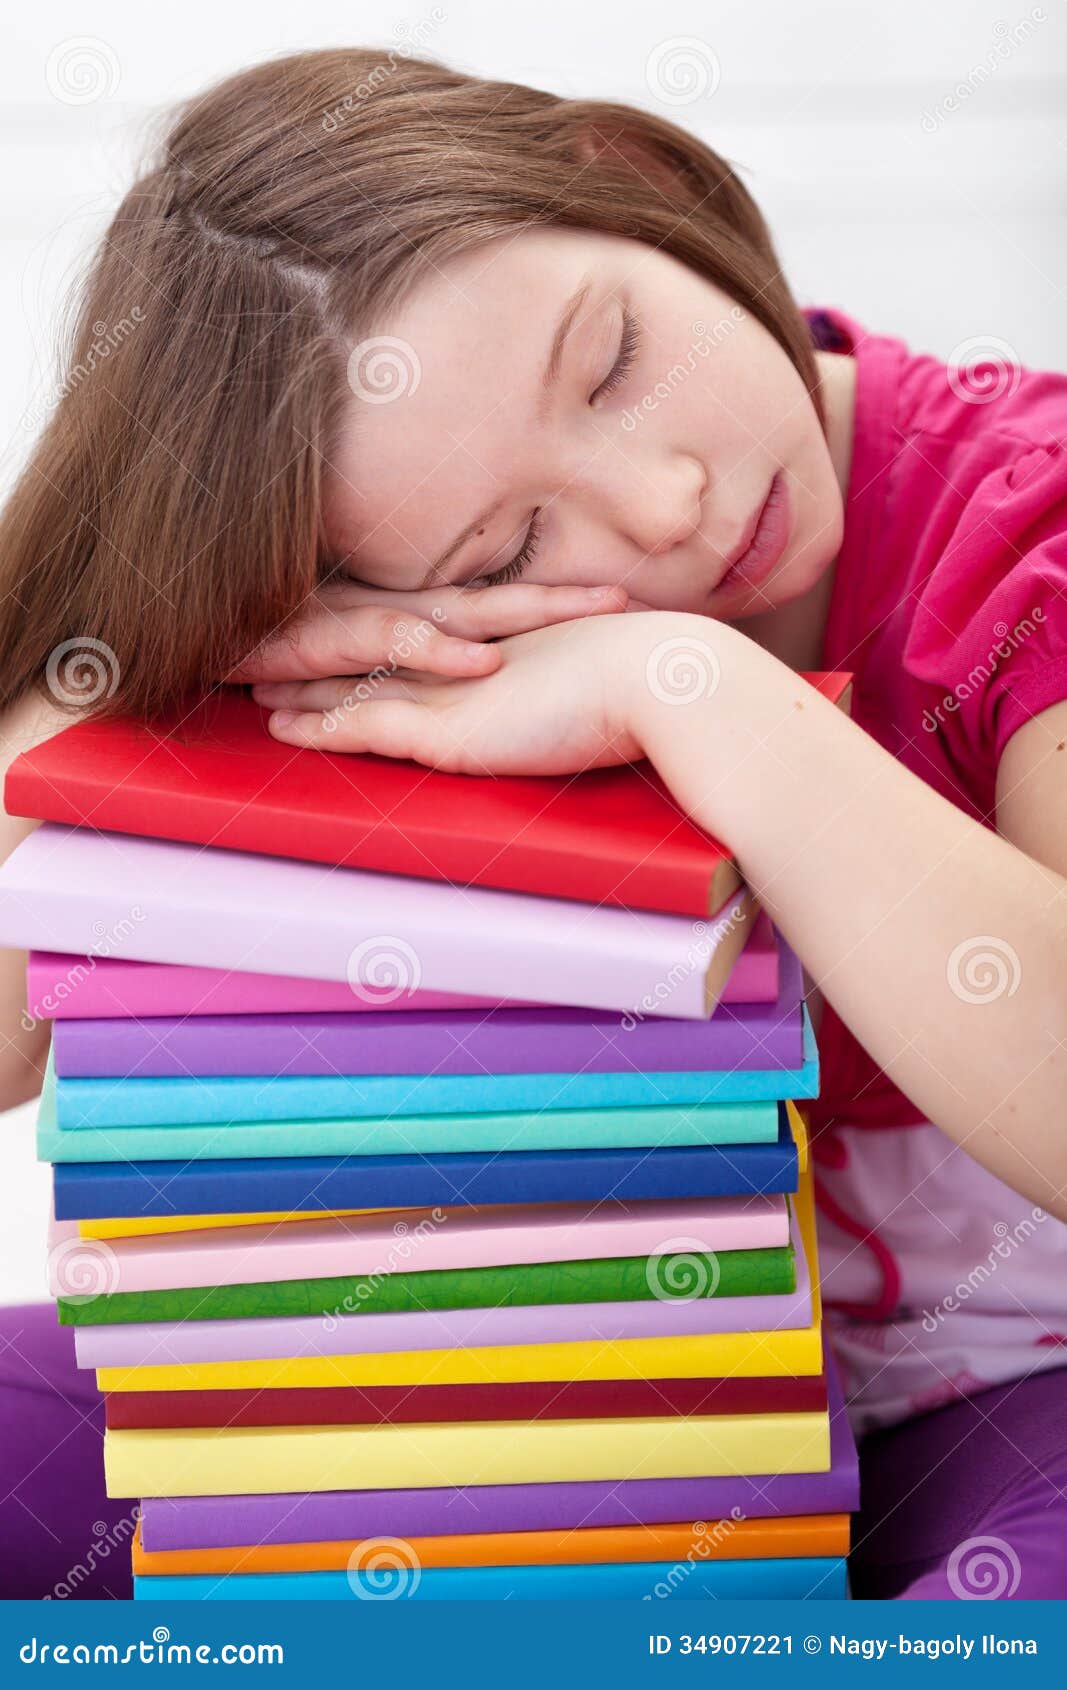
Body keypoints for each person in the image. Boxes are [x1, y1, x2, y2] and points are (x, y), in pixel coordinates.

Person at [1, 48, 1065, 1601]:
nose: (670, 500)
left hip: (1004, 1396)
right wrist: (72, 735)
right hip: (501, 1422)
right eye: (508, 546)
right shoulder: (370, 660)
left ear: (640, 186)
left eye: (614, 357)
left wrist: (687, 686)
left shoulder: (1019, 522)